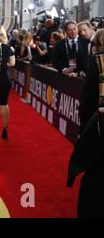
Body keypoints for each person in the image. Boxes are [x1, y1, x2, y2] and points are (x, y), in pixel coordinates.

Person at [67, 29, 104, 217]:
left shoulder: (97, 61)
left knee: (95, 179)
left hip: (98, 129)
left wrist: (84, 130)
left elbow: (88, 99)